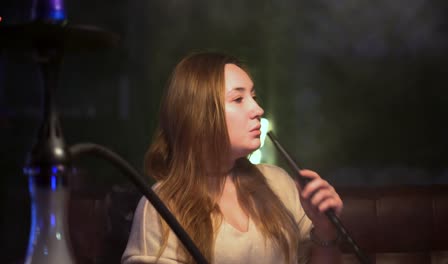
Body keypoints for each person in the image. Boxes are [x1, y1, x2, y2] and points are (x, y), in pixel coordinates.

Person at [122, 52, 344, 264]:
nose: (258, 109)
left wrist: (325, 229)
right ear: (198, 115)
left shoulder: (278, 183)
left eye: (254, 97)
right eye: (238, 99)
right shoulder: (161, 207)